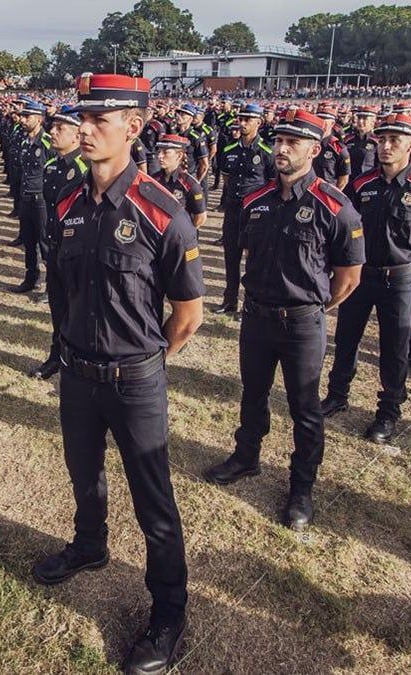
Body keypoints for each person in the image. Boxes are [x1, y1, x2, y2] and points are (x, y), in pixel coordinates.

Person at [31, 73, 203, 675]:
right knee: (84, 474)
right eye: (81, 118)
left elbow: (187, 314)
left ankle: (168, 611)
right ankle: (89, 545)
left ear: (132, 127)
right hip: (77, 373)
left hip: (135, 379)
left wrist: (145, 361)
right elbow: (64, 289)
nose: (82, 129)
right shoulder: (69, 205)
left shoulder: (163, 212)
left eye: (98, 120)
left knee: (154, 500)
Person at [203, 109, 364, 531]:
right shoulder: (255, 200)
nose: (281, 148)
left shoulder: (335, 206)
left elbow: (348, 278)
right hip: (257, 318)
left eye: (293, 142)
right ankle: (246, 457)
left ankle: (301, 486)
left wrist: (311, 308)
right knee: (252, 392)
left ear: (315, 149)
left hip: (302, 324)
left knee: (305, 408)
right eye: (278, 140)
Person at [323, 114, 411, 443]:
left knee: (395, 347)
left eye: (395, 141)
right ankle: (337, 394)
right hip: (362, 275)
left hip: (400, 277)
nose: (386, 146)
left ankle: (388, 411)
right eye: (382, 140)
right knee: (346, 337)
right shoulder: (363, 185)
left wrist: (405, 267)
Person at [29, 105, 88, 380]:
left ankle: (79, 359)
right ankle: (57, 356)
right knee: (58, 307)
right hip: (55, 249)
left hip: (78, 254)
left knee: (80, 309)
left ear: (77, 135)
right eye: (53, 127)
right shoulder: (52, 165)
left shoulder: (85, 169)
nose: (53, 131)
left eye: (60, 128)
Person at [215, 103, 274, 315]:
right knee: (231, 256)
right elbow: (226, 177)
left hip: (255, 213)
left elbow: (272, 183)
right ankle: (230, 299)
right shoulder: (230, 149)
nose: (243, 123)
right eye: (241, 118)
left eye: (248, 119)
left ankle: (250, 303)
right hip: (232, 210)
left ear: (259, 122)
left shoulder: (267, 152)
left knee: (254, 260)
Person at [12, 101, 52, 293]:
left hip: (41, 200)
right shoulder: (25, 140)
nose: (23, 120)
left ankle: (51, 286)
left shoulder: (47, 142)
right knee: (29, 242)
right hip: (26, 197)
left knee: (45, 243)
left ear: (39, 119)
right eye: (23, 116)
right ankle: (31, 278)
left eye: (28, 117)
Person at [150, 134, 207, 228]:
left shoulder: (190, 184)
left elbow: (200, 218)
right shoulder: (154, 179)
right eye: (159, 151)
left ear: (179, 155)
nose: (160, 156)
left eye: (166, 152)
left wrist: (184, 234)